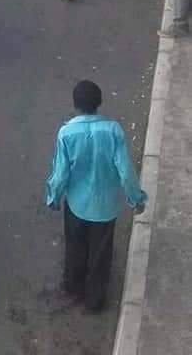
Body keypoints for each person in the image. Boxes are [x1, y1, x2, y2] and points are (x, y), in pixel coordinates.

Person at [45, 80, 146, 312]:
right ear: (99, 103)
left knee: (75, 247)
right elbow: (125, 170)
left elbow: (60, 172)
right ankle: (95, 301)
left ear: (75, 104)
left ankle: (73, 289)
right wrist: (136, 199)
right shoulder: (113, 131)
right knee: (101, 254)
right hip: (105, 207)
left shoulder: (67, 133)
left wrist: (53, 196)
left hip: (77, 205)